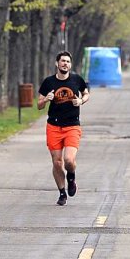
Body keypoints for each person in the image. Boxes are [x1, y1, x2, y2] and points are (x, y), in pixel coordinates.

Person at [37, 51, 90, 206]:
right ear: (57, 63)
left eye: (67, 61)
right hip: (53, 125)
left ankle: (71, 178)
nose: (65, 64)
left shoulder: (76, 80)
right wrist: (46, 99)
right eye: (62, 61)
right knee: (57, 162)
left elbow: (86, 94)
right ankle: (62, 193)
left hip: (72, 125)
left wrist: (81, 101)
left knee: (69, 160)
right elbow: (39, 105)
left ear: (70, 65)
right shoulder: (49, 82)